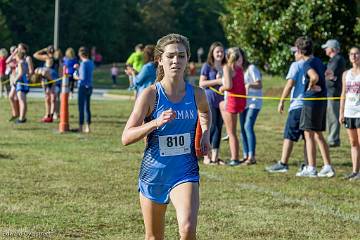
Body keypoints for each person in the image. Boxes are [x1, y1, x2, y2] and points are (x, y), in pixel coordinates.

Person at [122, 33, 210, 240]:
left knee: (187, 228)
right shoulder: (150, 95)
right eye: (170, 56)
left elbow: (205, 112)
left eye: (181, 56)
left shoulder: (197, 94)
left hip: (184, 171)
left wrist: (205, 134)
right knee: (154, 237)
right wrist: (155, 122)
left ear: (187, 59)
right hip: (154, 174)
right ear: (159, 60)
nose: (175, 61)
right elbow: (126, 137)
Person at [294, 36, 335, 178]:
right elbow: (329, 73)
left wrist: (312, 85)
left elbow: (315, 76)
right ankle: (327, 166)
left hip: (312, 101)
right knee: (318, 134)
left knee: (308, 133)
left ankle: (311, 167)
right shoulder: (318, 60)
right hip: (322, 100)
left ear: (299, 50)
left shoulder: (307, 64)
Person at [265, 47, 308, 173]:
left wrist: (282, 100)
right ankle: (308, 163)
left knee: (289, 135)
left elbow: (290, 84)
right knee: (307, 137)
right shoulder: (311, 63)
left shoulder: (296, 65)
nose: (294, 54)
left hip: (297, 105)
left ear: (301, 52)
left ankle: (283, 163)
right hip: (310, 105)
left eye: (295, 52)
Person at [199, 42, 226, 165]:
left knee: (219, 128)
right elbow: (202, 83)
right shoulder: (207, 66)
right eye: (217, 52)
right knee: (212, 126)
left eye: (221, 51)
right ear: (212, 53)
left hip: (223, 101)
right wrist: (218, 80)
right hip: (209, 100)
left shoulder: (226, 67)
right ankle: (206, 156)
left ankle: (215, 157)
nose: (220, 54)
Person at [219, 47, 246, 166]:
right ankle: (226, 128)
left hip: (232, 101)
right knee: (221, 105)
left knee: (232, 133)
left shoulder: (227, 67)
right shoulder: (239, 68)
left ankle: (234, 158)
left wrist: (221, 87)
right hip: (240, 100)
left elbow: (228, 85)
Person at [339, 47, 360, 181]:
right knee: (353, 143)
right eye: (351, 54)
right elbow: (343, 94)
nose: (354, 56)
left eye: (356, 53)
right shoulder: (346, 74)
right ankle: (355, 171)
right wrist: (341, 112)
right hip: (349, 111)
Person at [239, 49, 262, 165]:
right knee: (242, 128)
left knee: (248, 126)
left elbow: (259, 83)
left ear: (243, 57)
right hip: (243, 103)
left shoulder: (251, 68)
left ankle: (252, 156)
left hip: (254, 102)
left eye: (238, 57)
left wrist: (249, 85)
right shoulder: (237, 71)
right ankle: (245, 155)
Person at [322, 39, 346, 147]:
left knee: (333, 117)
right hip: (331, 92)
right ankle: (332, 138)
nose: (325, 50)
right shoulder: (334, 60)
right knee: (331, 116)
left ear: (331, 48)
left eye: (326, 48)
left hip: (334, 92)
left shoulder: (337, 59)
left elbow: (329, 74)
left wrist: (324, 75)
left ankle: (333, 140)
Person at [33, 45, 59, 123]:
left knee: (48, 97)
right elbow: (60, 71)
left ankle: (48, 115)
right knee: (51, 98)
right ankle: (50, 115)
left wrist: (43, 49)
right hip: (52, 79)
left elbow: (35, 55)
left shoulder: (47, 57)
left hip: (49, 79)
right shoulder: (56, 59)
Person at [74, 47, 94, 133]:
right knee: (87, 107)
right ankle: (88, 127)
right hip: (89, 86)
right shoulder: (91, 63)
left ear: (80, 54)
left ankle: (81, 127)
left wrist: (75, 76)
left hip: (82, 87)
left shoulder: (83, 64)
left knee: (81, 108)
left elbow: (82, 77)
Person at [14, 50, 30, 124]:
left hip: (21, 83)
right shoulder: (25, 63)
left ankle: (21, 118)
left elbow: (20, 73)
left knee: (21, 101)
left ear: (18, 56)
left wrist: (15, 80)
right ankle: (23, 117)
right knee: (23, 101)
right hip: (25, 82)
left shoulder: (20, 63)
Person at [6, 46, 19, 121]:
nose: (13, 52)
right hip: (12, 78)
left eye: (14, 50)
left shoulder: (19, 58)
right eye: (11, 51)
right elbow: (7, 62)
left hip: (18, 79)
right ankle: (15, 114)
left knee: (13, 97)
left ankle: (17, 114)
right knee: (14, 97)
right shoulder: (12, 58)